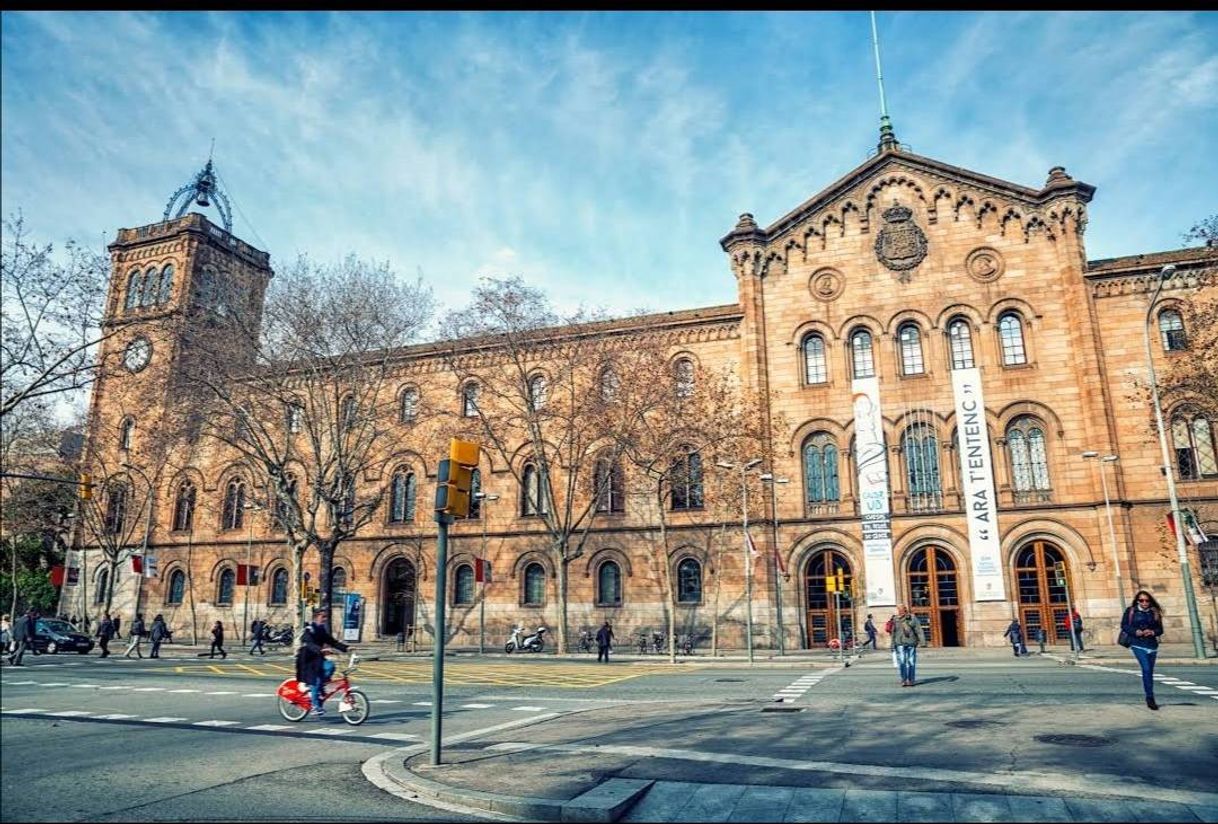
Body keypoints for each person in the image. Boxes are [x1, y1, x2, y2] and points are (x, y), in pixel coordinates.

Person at [295, 608, 349, 717]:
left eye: (325, 617)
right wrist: (320, 649)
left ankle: (318, 688)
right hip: (308, 660)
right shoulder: (309, 629)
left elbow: (331, 641)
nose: (325, 619)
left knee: (330, 666)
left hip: (318, 658)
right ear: (316, 617)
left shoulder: (321, 629)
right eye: (322, 616)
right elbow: (307, 641)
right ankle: (315, 706)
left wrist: (346, 648)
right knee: (316, 680)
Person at [1121, 590, 1164, 711]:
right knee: (1145, 668)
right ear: (1137, 600)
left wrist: (1152, 632)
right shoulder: (1131, 611)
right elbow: (1124, 625)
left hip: (1152, 645)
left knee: (1149, 671)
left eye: (1147, 600)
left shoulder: (1154, 612)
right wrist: (1136, 632)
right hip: (1137, 643)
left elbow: (1160, 629)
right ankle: (1150, 698)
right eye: (1141, 600)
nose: (1144, 602)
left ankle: (1149, 695)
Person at [890, 604, 925, 687]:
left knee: (911, 662)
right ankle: (904, 680)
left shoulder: (912, 618)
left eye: (902, 608)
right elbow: (893, 633)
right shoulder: (895, 619)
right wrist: (892, 644)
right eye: (899, 609)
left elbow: (919, 630)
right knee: (902, 662)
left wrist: (923, 642)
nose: (900, 610)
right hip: (900, 643)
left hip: (911, 643)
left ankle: (911, 680)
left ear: (905, 609)